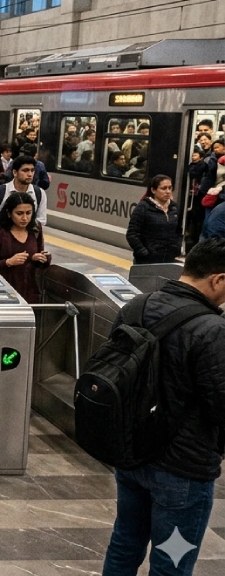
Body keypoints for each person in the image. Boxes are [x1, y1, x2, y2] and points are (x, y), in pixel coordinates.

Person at [100, 238, 225, 576]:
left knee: (125, 542)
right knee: (171, 559)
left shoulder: (135, 308)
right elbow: (220, 406)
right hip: (183, 471)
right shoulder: (213, 330)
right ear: (218, 279)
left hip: (132, 455)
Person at [0, 192, 50, 304]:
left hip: (30, 294)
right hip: (3, 294)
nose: (25, 218)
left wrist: (41, 259)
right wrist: (8, 262)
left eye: (29, 213)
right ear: (9, 213)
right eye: (19, 213)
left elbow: (41, 258)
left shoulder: (35, 229)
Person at [126, 175, 183, 265]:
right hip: (147, 261)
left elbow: (178, 231)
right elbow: (132, 234)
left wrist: (176, 248)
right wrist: (144, 252)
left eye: (170, 188)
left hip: (168, 259)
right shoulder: (143, 207)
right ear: (153, 190)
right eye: (163, 188)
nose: (168, 192)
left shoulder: (174, 208)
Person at [0, 155, 47, 227]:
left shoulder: (39, 193)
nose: (30, 174)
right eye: (25, 170)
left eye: (32, 170)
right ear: (15, 172)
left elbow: (41, 220)